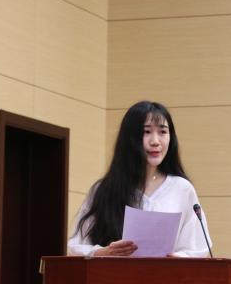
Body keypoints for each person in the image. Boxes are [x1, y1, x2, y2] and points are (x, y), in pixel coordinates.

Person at [68, 101, 212, 257]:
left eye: (163, 132)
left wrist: (177, 258)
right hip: (114, 273)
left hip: (168, 273)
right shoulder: (104, 189)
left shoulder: (182, 188)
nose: (155, 141)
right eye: (146, 132)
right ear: (129, 138)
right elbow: (76, 246)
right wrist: (105, 252)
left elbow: (197, 248)